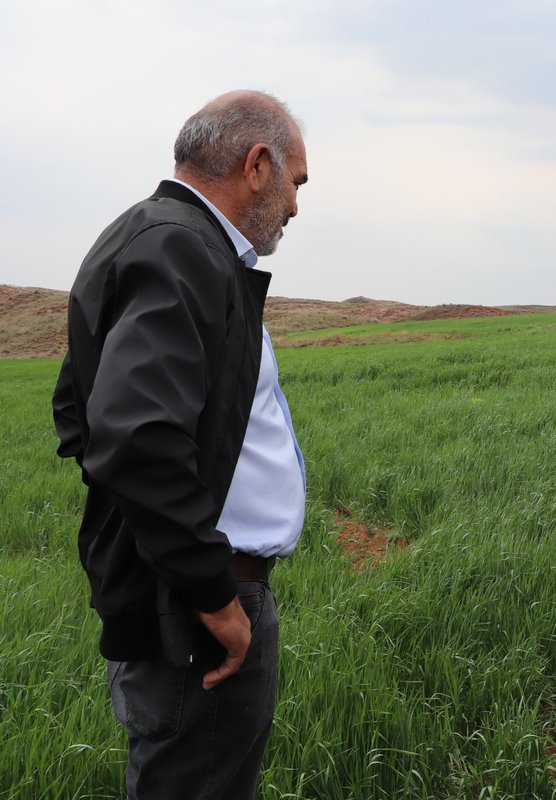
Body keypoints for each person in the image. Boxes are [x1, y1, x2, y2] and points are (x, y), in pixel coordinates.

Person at [51, 90, 309, 799]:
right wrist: (210, 591)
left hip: (179, 587)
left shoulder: (145, 235)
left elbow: (78, 414)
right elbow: (133, 435)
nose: (295, 206)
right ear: (258, 165)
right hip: (201, 606)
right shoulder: (182, 246)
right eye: (297, 182)